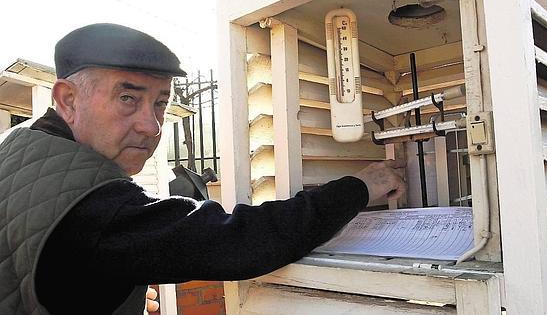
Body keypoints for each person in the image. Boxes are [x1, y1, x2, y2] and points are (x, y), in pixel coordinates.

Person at [0, 23, 406, 315]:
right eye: (127, 97)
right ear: (68, 99)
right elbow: (238, 241)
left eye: (160, 103)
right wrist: (358, 187)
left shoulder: (21, 152)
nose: (152, 125)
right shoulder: (93, 209)